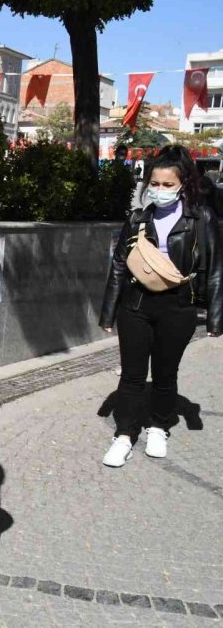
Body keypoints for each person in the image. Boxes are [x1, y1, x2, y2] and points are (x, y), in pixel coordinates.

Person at [100, 145, 223, 467]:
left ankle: (158, 426)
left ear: (184, 184)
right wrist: (108, 312)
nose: (160, 190)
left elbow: (216, 268)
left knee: (166, 375)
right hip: (136, 305)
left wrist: (214, 318)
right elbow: (118, 265)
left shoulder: (202, 218)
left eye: (168, 185)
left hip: (178, 307)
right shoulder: (139, 218)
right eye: (155, 184)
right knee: (132, 376)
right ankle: (124, 435)